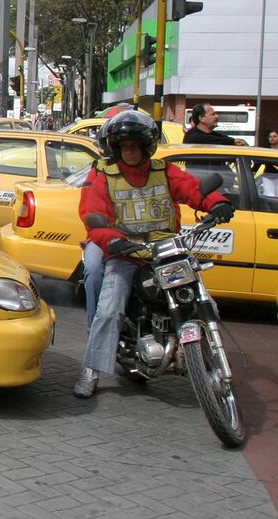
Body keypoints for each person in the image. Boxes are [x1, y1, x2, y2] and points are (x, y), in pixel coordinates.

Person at [73, 110, 232, 399]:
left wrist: (217, 203)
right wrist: (114, 241)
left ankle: (211, 360)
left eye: (135, 145)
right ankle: (91, 370)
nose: (130, 151)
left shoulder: (164, 171)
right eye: (125, 146)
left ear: (147, 146)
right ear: (117, 149)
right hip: (128, 253)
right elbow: (93, 215)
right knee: (109, 310)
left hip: (168, 250)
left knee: (202, 298)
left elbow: (192, 189)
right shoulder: (104, 177)